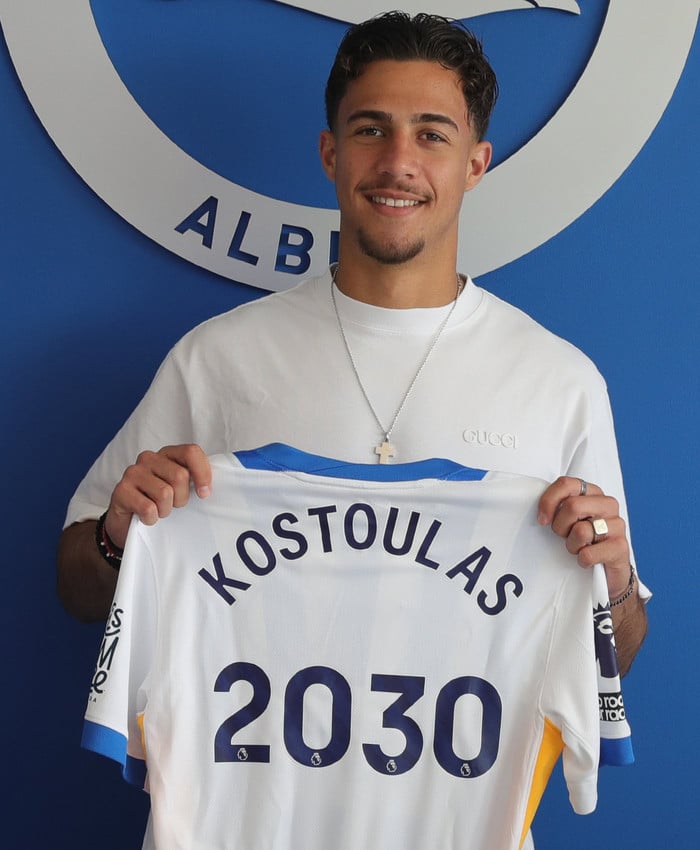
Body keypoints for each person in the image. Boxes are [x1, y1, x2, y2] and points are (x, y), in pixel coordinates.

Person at [58, 12, 646, 671]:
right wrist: (114, 539)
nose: (398, 163)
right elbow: (79, 591)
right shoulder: (218, 357)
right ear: (331, 154)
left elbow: (616, 655)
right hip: (249, 739)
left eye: (432, 135)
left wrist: (615, 583)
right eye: (371, 130)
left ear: (475, 165)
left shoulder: (558, 381)